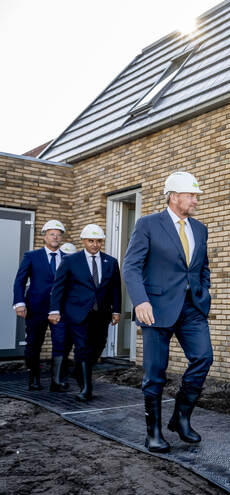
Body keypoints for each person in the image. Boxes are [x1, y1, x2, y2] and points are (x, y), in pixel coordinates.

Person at [123, 171, 213, 453]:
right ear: (174, 197)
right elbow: (131, 266)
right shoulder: (148, 224)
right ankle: (153, 433)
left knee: (203, 357)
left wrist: (204, 291)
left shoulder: (199, 229)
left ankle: (181, 417)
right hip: (155, 308)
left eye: (196, 195)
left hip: (192, 308)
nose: (196, 200)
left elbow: (202, 267)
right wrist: (140, 300)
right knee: (155, 372)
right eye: (192, 195)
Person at [49, 224, 121, 401]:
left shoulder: (110, 262)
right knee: (82, 348)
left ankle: (79, 373)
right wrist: (54, 309)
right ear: (83, 241)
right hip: (77, 313)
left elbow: (115, 288)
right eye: (91, 241)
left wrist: (117, 310)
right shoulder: (71, 261)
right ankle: (86, 388)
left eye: (98, 241)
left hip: (101, 314)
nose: (95, 244)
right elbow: (58, 287)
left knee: (98, 346)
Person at [13, 220, 72, 391]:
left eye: (59, 234)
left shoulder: (68, 258)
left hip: (60, 310)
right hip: (36, 308)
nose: (55, 237)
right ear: (44, 236)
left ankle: (57, 381)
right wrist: (19, 302)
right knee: (34, 343)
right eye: (52, 234)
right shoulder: (31, 256)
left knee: (61, 343)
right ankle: (34, 379)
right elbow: (20, 281)